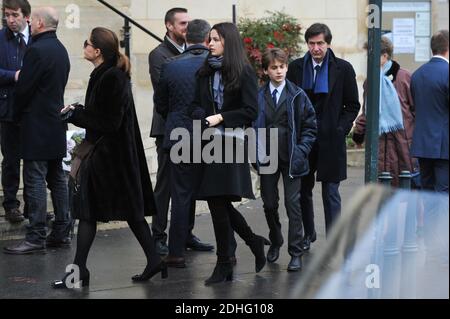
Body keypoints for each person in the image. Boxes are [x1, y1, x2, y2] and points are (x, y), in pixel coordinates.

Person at [52, 27, 166, 288]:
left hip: (111, 159)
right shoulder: (105, 74)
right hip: (113, 158)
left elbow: (110, 122)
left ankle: (79, 272)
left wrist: (75, 115)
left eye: (87, 43)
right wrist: (79, 110)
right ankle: (152, 260)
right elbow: (103, 115)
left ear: (97, 50)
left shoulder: (112, 77)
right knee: (119, 213)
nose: (84, 47)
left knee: (92, 213)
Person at [190, 22, 269, 285]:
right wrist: (201, 115)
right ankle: (252, 242)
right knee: (218, 201)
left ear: (229, 42)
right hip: (208, 142)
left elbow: (250, 111)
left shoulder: (243, 72)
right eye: (209, 39)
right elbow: (195, 106)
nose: (209, 44)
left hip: (231, 142)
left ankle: (225, 262)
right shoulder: (204, 71)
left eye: (215, 40)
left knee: (217, 201)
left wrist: (220, 117)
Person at [3, 7, 72, 254]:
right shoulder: (61, 49)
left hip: (35, 125)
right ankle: (62, 231)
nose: (29, 24)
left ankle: (35, 236)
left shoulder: (36, 50)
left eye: (32, 21)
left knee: (34, 180)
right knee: (57, 179)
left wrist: (16, 112)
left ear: (40, 23)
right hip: (55, 122)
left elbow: (24, 89)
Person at [287, 23, 360, 247]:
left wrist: (340, 129)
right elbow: (289, 100)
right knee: (303, 190)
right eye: (311, 43)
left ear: (328, 43)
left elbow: (352, 104)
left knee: (331, 192)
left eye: (320, 43)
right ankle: (308, 234)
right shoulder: (296, 67)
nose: (316, 48)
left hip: (331, 139)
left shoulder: (344, 68)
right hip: (304, 140)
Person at [149, 8, 213, 254]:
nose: (187, 27)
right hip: (169, 129)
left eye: (188, 23)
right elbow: (162, 95)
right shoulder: (159, 55)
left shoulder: (198, 55)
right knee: (166, 185)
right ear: (169, 26)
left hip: (195, 127)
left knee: (189, 186)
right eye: (182, 23)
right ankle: (158, 235)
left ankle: (185, 233)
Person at [254, 48, 317, 271]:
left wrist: (301, 150)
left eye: (282, 67)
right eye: (274, 68)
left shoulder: (298, 95)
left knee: (293, 206)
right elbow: (251, 127)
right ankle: (276, 238)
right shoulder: (258, 96)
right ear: (266, 71)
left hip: (292, 158)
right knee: (269, 204)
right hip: (267, 157)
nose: (278, 71)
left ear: (287, 68)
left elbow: (310, 126)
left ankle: (296, 251)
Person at [353, 36, 417, 187]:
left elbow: (415, 110)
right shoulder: (371, 80)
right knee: (382, 192)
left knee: (405, 190)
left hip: (402, 144)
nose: (367, 59)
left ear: (384, 56)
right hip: (380, 145)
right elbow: (367, 111)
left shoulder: (404, 77)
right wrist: (358, 133)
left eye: (369, 55)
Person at [0, 0, 31, 223]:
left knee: (33, 160)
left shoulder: (38, 37)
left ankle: (33, 205)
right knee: (10, 160)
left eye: (14, 15)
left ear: (26, 16)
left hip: (32, 111)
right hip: (8, 108)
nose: (10, 20)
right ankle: (11, 205)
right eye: (6, 15)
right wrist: (14, 76)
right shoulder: (1, 38)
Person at [411, 30, 449, 194]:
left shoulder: (417, 74)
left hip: (422, 143)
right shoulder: (447, 72)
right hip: (444, 145)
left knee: (427, 193)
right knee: (442, 193)